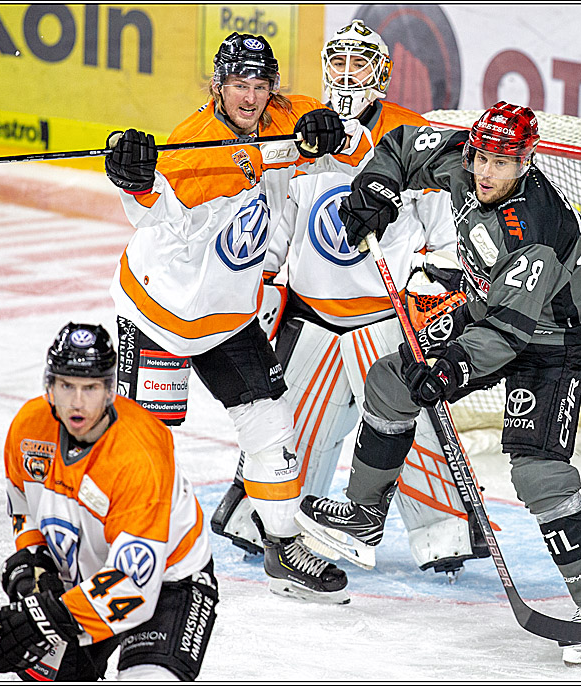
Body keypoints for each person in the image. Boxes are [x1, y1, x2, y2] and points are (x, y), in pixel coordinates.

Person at [294, 102, 581, 665]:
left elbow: (507, 333)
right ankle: (365, 515)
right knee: (392, 381)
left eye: (504, 161)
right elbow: (400, 146)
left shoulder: (535, 231)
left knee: (538, 472)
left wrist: (452, 368)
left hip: (551, 341)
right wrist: (373, 190)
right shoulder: (464, 158)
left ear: (526, 162)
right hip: (488, 303)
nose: (487, 172)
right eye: (483, 157)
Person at [209, 20, 490, 578]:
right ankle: (273, 522)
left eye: (357, 63)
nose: (345, 75)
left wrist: (428, 290)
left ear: (381, 75)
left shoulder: (413, 136)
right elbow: (279, 226)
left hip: (385, 321)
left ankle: (443, 534)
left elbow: (445, 231)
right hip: (312, 318)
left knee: (407, 429)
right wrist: (263, 292)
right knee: (289, 427)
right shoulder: (303, 138)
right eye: (335, 62)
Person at [103, 32, 363, 604]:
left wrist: (331, 129)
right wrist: (136, 180)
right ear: (218, 87)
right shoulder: (194, 144)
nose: (250, 98)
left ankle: (285, 547)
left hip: (228, 315)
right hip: (160, 313)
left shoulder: (280, 116)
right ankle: (125, 538)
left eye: (260, 85)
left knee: (272, 428)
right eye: (239, 86)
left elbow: (343, 141)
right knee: (149, 441)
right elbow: (157, 211)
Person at [0, 323, 217, 681]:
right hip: (82, 581)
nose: (77, 402)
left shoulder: (138, 454)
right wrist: (34, 561)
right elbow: (23, 506)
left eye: (90, 388)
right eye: (66, 385)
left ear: (109, 391)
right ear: (49, 386)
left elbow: (133, 586)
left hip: (170, 581)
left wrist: (48, 618)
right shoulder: (28, 429)